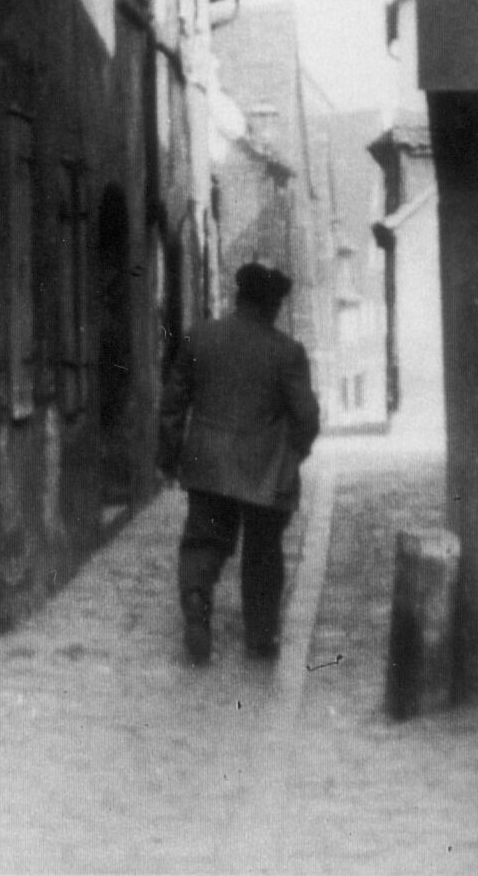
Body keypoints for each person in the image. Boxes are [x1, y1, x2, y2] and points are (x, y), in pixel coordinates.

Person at [156, 261, 321, 665]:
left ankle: (197, 603)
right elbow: (307, 418)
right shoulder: (287, 352)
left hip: (208, 463)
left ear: (239, 296)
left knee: (203, 542)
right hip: (265, 470)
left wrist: (170, 458)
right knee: (264, 551)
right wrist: (291, 456)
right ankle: (260, 637)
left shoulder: (199, 338)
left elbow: (173, 405)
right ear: (273, 306)